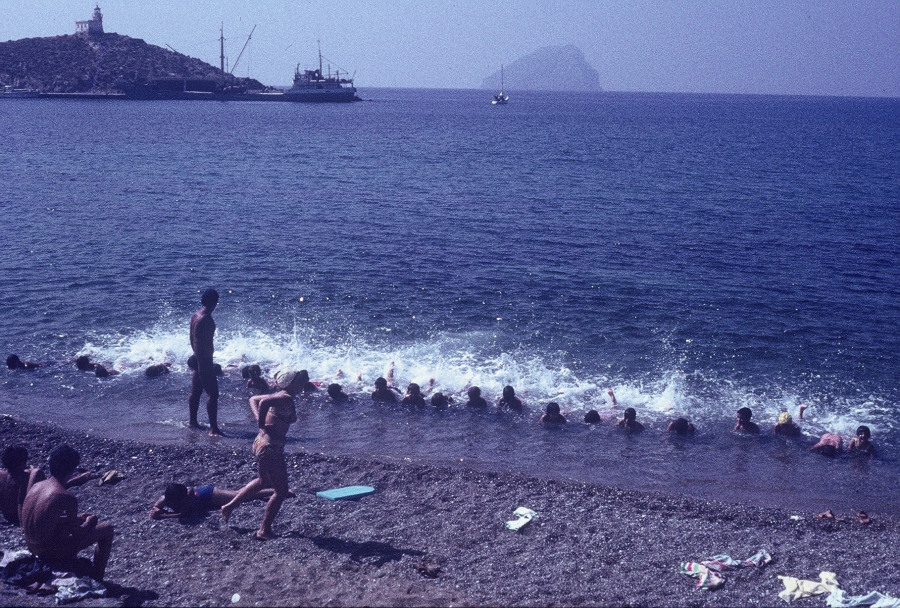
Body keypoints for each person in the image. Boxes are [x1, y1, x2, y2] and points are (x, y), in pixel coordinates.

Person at [221, 370, 301, 540]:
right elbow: (263, 402)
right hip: (270, 447)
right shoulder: (285, 398)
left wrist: (260, 423)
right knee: (281, 491)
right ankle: (264, 530)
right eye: (300, 380)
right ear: (292, 383)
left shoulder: (280, 395)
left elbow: (253, 399)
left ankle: (229, 506)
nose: (303, 383)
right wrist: (260, 422)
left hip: (262, 443)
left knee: (263, 481)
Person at [20, 444, 114, 581]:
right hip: (49, 552)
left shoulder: (37, 486)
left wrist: (73, 518)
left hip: (32, 546)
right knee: (107, 529)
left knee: (74, 520)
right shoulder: (66, 497)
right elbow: (78, 534)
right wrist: (89, 521)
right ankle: (97, 576)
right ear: (72, 469)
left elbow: (42, 517)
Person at [189, 289, 222, 436]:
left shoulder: (196, 316)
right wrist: (204, 363)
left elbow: (192, 339)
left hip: (198, 358)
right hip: (204, 360)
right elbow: (203, 344)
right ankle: (213, 429)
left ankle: (193, 422)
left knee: (196, 392)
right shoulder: (206, 320)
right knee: (213, 394)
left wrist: (197, 359)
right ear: (215, 302)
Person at [149, 482, 276, 520]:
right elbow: (156, 506)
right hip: (206, 501)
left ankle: (274, 491)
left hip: (210, 495)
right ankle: (268, 490)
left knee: (239, 496)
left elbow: (182, 514)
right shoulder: (165, 499)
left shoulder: (187, 496)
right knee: (240, 494)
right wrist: (155, 511)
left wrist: (163, 516)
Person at [0, 446, 43, 525]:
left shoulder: (1, 475)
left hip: (7, 516)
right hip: (19, 516)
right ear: (22, 462)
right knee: (38, 474)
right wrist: (33, 472)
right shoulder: (24, 478)